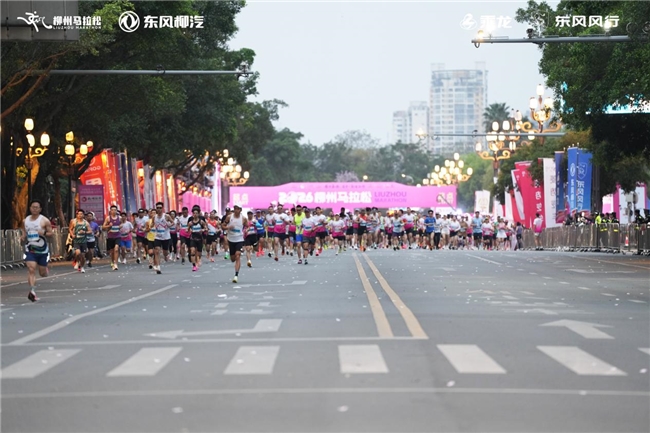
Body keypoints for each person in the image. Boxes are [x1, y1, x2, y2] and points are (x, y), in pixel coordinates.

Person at [21, 200, 54, 302]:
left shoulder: (44, 220)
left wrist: (43, 233)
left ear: (40, 209)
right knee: (31, 269)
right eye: (33, 207)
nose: (34, 209)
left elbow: (51, 234)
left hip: (42, 250)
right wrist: (23, 237)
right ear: (30, 208)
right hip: (30, 249)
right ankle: (32, 291)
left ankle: (45, 269)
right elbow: (24, 231)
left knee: (42, 273)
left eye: (37, 207)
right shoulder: (25, 221)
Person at [222, 204, 247, 282]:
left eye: (238, 209)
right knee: (233, 259)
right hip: (231, 239)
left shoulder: (243, 218)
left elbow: (247, 226)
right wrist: (228, 227)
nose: (236, 210)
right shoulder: (229, 217)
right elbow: (223, 226)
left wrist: (246, 231)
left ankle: (236, 275)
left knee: (237, 255)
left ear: (240, 210)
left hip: (239, 239)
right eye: (235, 208)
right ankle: (232, 256)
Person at [102, 205, 122, 270]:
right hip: (110, 236)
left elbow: (122, 224)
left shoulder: (120, 218)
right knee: (112, 251)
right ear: (110, 211)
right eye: (112, 210)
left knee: (116, 249)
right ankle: (112, 261)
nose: (113, 211)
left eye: (115, 210)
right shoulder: (108, 218)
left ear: (116, 211)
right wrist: (109, 226)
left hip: (118, 236)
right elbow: (103, 227)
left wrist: (120, 226)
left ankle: (116, 263)